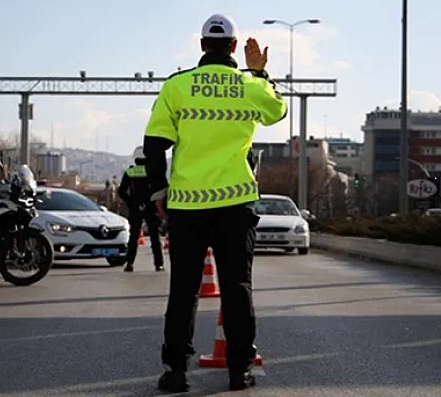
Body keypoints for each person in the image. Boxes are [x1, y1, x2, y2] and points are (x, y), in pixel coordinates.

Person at [142, 14, 287, 392]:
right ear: (235, 48)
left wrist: (159, 193)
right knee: (237, 287)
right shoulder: (249, 85)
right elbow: (277, 112)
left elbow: (155, 145)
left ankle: (176, 372)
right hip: (235, 205)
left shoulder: (178, 86)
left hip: (187, 207)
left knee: (183, 290)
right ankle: (239, 371)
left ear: (203, 45)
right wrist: (260, 74)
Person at [117, 146, 165, 272]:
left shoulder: (131, 172)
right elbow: (163, 188)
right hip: (151, 206)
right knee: (155, 237)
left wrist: (131, 202)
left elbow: (121, 191)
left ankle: (129, 264)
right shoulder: (154, 171)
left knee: (134, 237)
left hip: (136, 208)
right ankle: (159, 264)